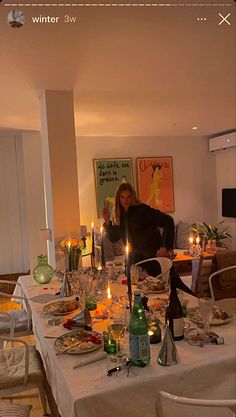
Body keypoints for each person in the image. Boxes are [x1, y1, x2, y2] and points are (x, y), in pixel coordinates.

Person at [103, 182, 175, 276]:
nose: (126, 200)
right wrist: (107, 220)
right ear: (118, 199)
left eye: (128, 197)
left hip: (153, 259)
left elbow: (168, 221)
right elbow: (114, 237)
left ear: (132, 197)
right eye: (122, 197)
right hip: (135, 263)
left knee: (165, 288)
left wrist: (165, 246)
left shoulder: (143, 210)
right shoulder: (120, 217)